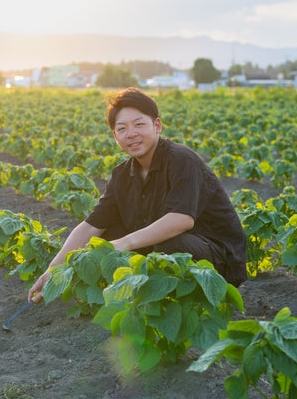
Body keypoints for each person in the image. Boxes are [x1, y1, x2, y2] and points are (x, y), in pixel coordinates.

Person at [28, 87, 247, 303]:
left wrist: (123, 243)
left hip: (216, 260)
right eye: (122, 128)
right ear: (115, 136)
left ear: (157, 125)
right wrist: (53, 270)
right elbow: (92, 225)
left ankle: (182, 301)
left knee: (169, 245)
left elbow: (182, 219)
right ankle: (136, 297)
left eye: (139, 124)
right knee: (102, 239)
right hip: (165, 253)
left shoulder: (182, 160)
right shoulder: (122, 175)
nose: (131, 134)